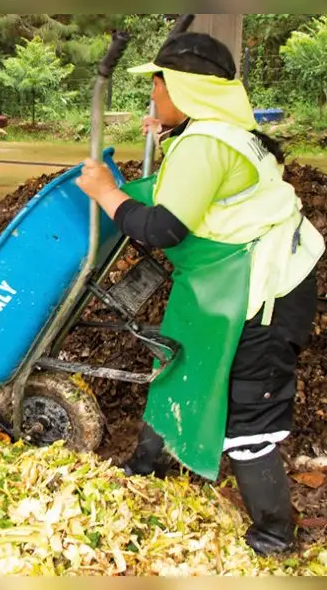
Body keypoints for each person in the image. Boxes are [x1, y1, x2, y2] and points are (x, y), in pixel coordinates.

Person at [76, 32, 324, 557]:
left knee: (248, 410)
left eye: (158, 89)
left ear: (186, 90)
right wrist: (169, 131)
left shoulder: (207, 144)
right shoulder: (220, 130)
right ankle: (150, 463)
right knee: (183, 364)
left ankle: (275, 533)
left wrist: (105, 192)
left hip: (263, 292)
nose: (153, 99)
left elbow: (163, 229)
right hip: (235, 278)